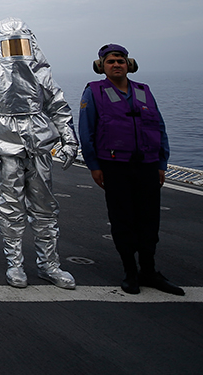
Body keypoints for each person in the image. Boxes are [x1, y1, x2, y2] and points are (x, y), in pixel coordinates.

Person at [0, 18, 79, 289]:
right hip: (7, 147)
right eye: (11, 45)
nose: (16, 51)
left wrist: (69, 140)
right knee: (10, 208)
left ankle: (49, 264)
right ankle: (15, 264)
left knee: (45, 207)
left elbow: (58, 106)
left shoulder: (42, 75)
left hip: (39, 146)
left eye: (21, 44)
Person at [79, 44, 184, 296]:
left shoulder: (144, 92)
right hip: (115, 167)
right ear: (101, 66)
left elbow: (159, 127)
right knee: (122, 219)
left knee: (150, 220)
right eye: (111, 61)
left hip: (147, 166)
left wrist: (161, 164)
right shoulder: (94, 92)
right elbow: (86, 131)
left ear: (129, 65)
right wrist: (94, 166)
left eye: (121, 61)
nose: (117, 65)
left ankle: (149, 270)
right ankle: (130, 272)